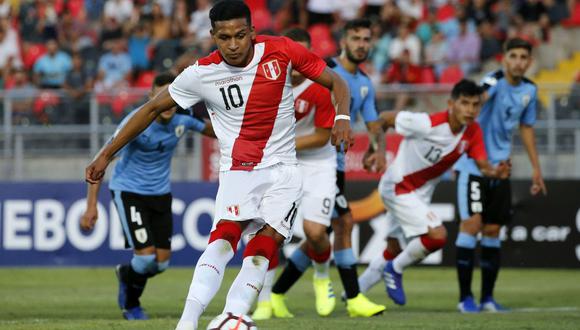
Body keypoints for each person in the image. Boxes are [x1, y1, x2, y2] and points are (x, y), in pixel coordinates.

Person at [84, 1, 353, 329]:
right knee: (223, 240)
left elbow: (337, 83)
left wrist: (342, 116)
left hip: (284, 171)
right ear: (212, 36)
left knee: (261, 250)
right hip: (239, 170)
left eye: (240, 35)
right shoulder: (201, 73)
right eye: (224, 37)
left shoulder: (282, 50)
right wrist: (105, 154)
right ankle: (188, 322)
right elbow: (151, 109)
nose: (234, 44)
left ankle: (233, 317)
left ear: (252, 31)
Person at [267, 18, 386, 318]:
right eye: (355, 38)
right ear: (343, 41)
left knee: (333, 228)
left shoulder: (364, 83)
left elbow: (374, 123)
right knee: (335, 227)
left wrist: (378, 148)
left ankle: (285, 293)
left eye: (366, 39)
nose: (361, 44)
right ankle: (351, 296)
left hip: (331, 163)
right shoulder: (319, 69)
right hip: (316, 161)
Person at [356, 79, 511, 307]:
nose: (470, 110)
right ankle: (395, 269)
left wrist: (496, 172)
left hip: (419, 193)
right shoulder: (426, 123)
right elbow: (386, 118)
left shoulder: (473, 131)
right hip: (398, 187)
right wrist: (378, 150)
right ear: (451, 103)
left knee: (393, 248)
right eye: (464, 103)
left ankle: (353, 292)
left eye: (475, 105)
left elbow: (482, 165)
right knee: (436, 235)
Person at [80, 72, 214, 320]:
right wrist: (91, 206)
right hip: (130, 191)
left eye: (171, 96)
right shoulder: (137, 122)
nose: (167, 102)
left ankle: (125, 273)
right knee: (145, 259)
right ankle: (131, 306)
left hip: (161, 194)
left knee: (160, 264)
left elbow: (213, 130)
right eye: (161, 95)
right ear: (152, 96)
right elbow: (101, 162)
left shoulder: (183, 120)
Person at [453, 38, 546, 313]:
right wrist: (482, 95)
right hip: (474, 166)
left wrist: (536, 169)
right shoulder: (492, 81)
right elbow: (476, 100)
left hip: (502, 170)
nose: (518, 61)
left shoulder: (530, 89)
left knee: (493, 230)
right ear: (504, 59)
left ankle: (488, 298)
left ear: (529, 61)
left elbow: (526, 128)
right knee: (471, 226)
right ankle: (464, 298)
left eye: (523, 57)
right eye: (513, 56)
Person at [251, 28, 337, 320]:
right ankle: (263, 301)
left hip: (317, 164)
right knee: (269, 232)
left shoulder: (320, 87)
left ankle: (322, 277)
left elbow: (322, 136)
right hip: (279, 164)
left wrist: (280, 144)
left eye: (304, 53)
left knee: (315, 233)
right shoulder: (269, 81)